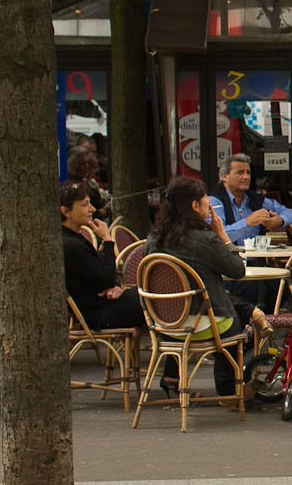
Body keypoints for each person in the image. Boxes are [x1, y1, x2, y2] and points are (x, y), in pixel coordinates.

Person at [146, 176, 267, 404]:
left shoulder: (152, 241)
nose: (209, 205)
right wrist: (223, 237)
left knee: (228, 306)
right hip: (205, 324)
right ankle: (229, 391)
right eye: (205, 200)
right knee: (238, 327)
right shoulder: (205, 240)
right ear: (195, 206)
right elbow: (236, 270)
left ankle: (252, 315)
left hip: (165, 324)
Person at [61, 180, 144, 332]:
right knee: (155, 299)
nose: (92, 209)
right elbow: (106, 278)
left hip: (102, 306)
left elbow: (102, 278)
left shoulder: (71, 238)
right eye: (84, 205)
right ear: (66, 211)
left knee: (151, 294)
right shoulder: (71, 245)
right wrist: (107, 240)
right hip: (100, 315)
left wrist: (114, 287)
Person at [211, 152, 292, 244]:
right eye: (240, 172)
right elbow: (219, 236)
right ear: (225, 176)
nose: (246, 177)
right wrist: (248, 222)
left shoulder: (255, 199)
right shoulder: (214, 201)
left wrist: (280, 220)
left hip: (257, 257)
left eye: (248, 172)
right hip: (228, 257)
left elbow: (290, 213)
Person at [66, 145, 111, 219]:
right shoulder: (70, 185)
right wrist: (99, 212)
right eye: (82, 164)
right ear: (73, 165)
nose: (87, 167)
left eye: (88, 163)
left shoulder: (87, 180)